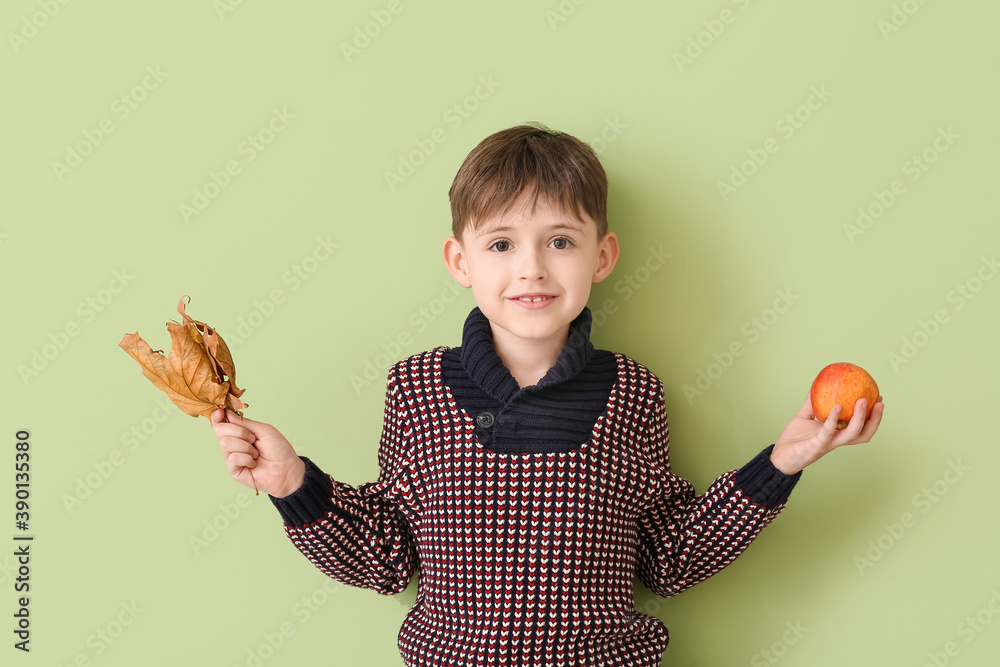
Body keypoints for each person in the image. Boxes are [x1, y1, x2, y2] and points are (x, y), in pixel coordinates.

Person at [211, 123, 884, 666]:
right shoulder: (414, 387)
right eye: (501, 243)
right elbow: (386, 556)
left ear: (602, 256)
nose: (530, 266)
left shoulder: (633, 392)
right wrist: (292, 481)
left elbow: (671, 558)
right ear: (460, 261)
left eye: (559, 240)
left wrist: (782, 463)